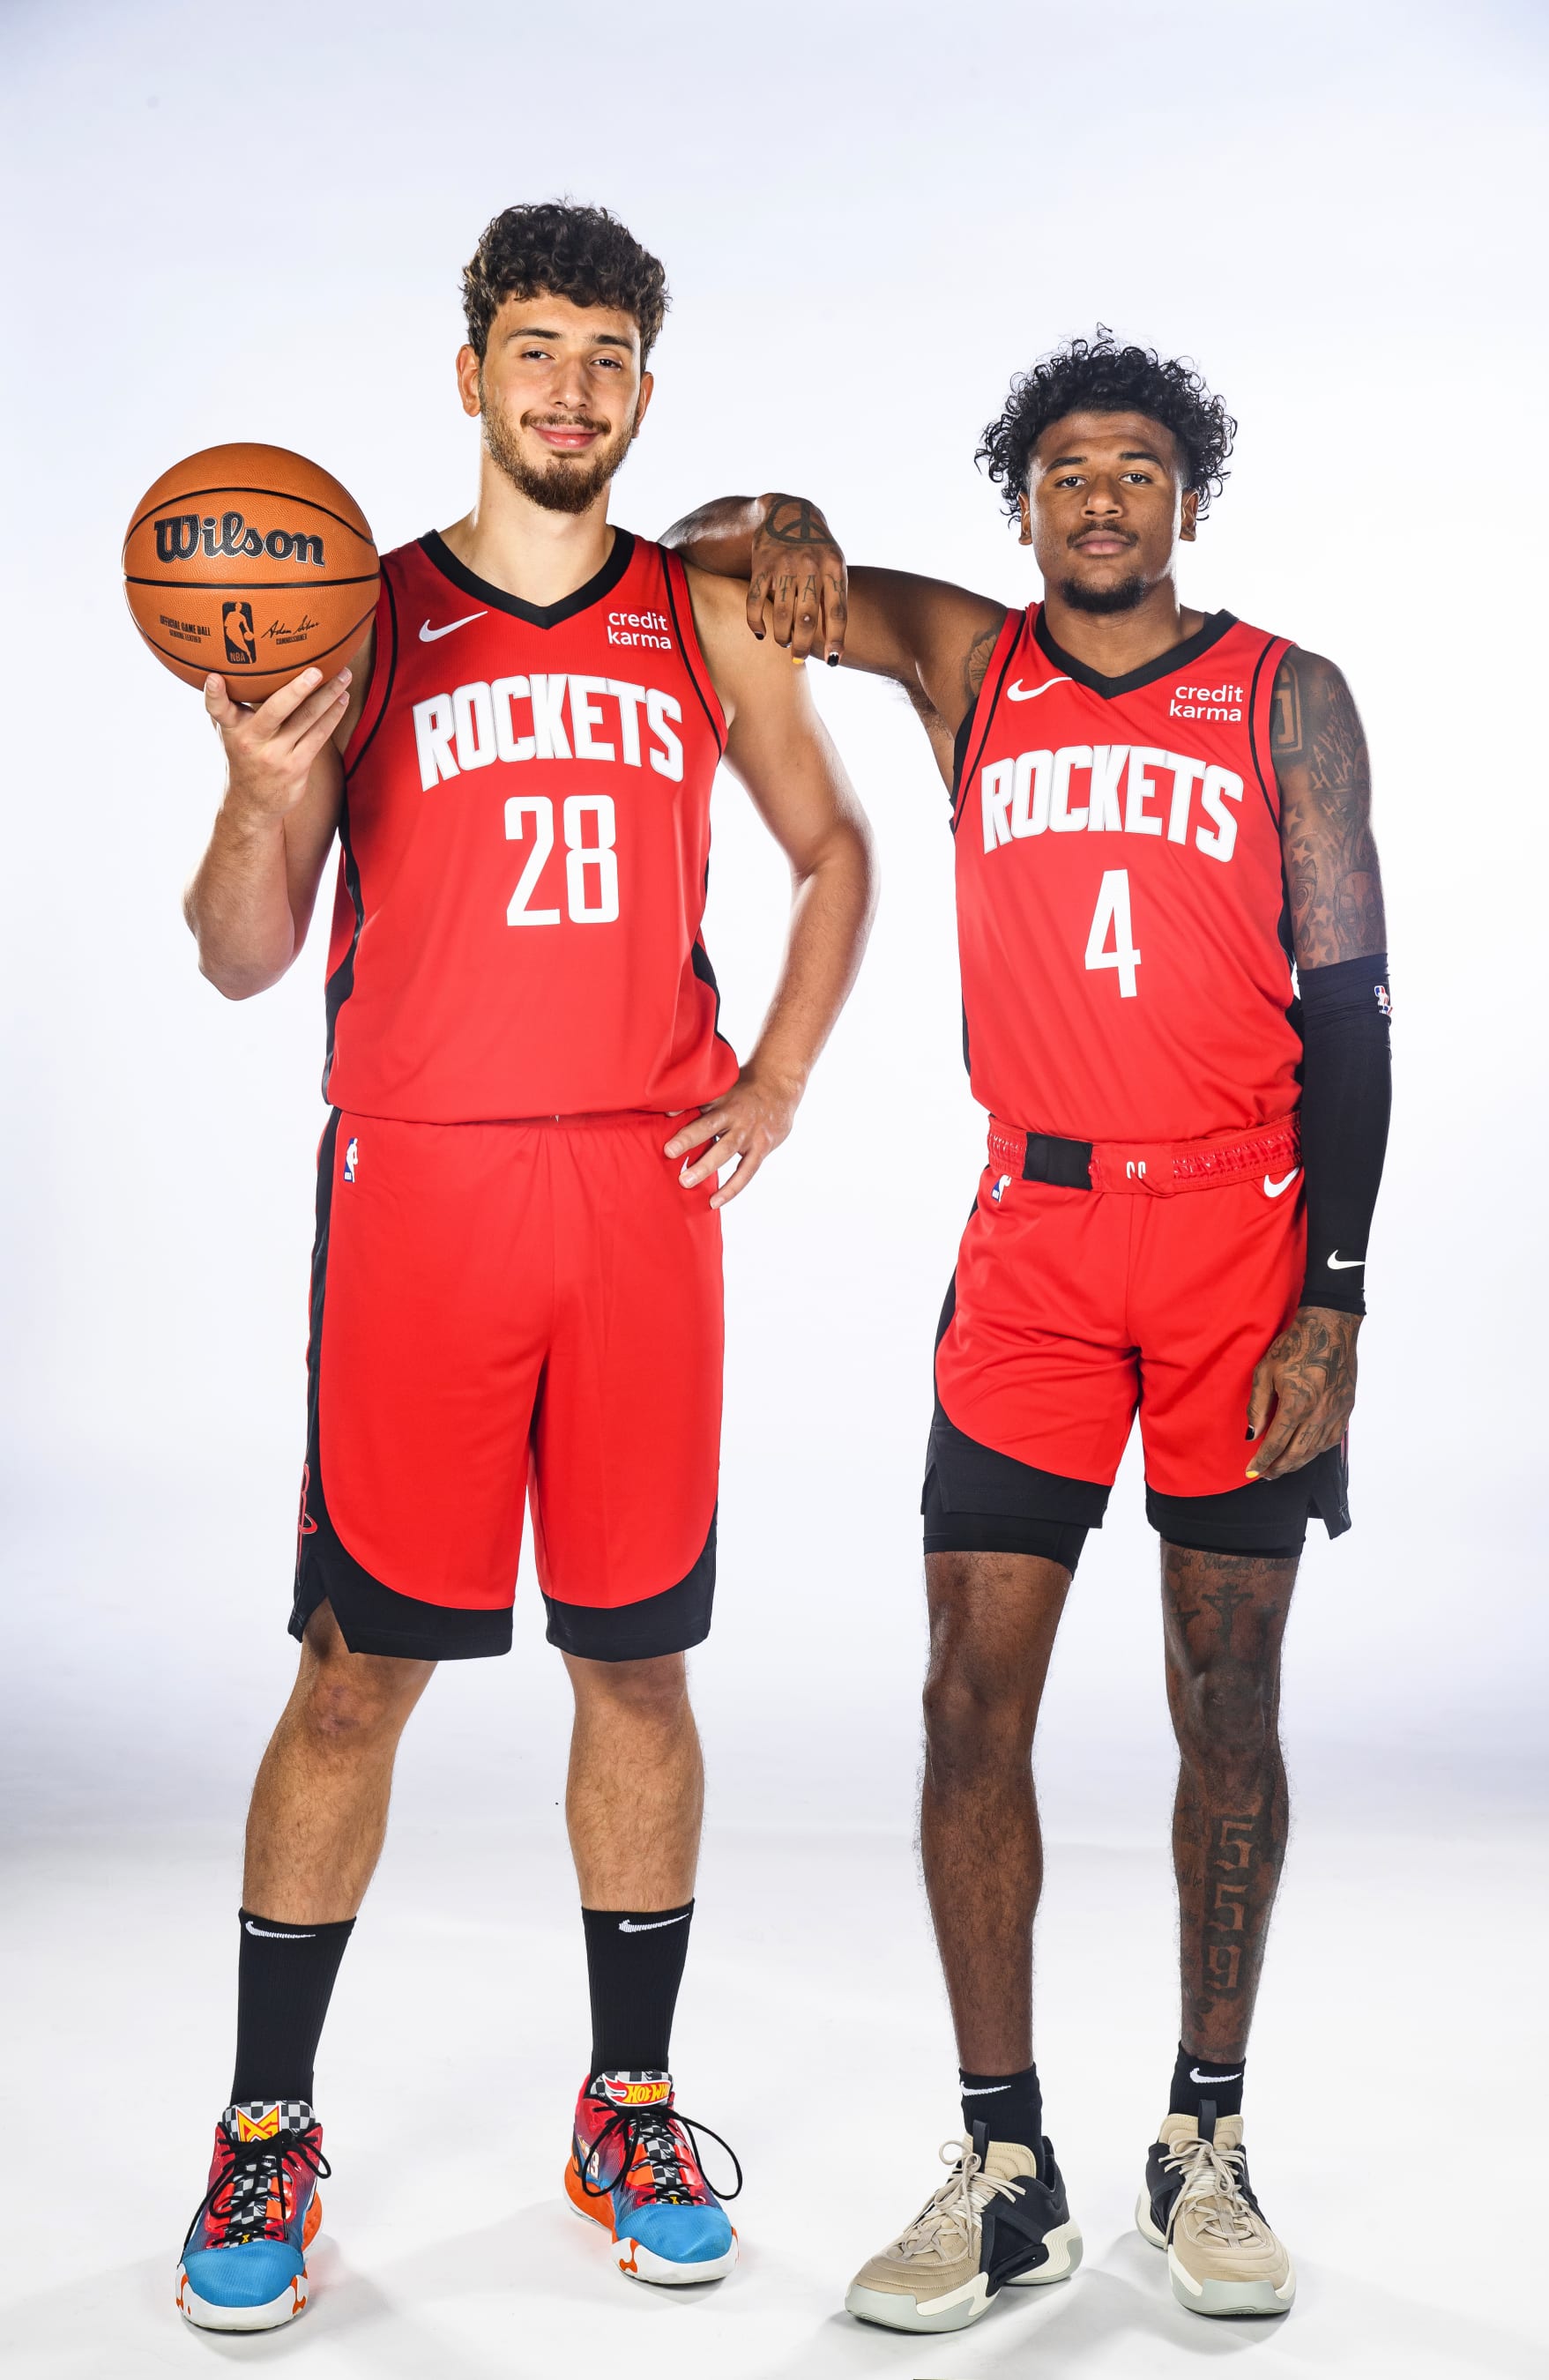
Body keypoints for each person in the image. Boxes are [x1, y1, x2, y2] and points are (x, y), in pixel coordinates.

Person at [172, 201, 874, 2332]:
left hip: (644, 1206)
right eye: (535, 349)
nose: (571, 391)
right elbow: (237, 955)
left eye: (610, 358)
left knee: (637, 1662)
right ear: (467, 372)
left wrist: (776, 1073)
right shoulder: (350, 613)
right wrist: (254, 790)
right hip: (426, 1195)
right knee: (355, 1669)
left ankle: (626, 2104)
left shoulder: (710, 609)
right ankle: (268, 2135)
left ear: (645, 391)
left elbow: (834, 848)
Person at [667, 327, 1389, 2331]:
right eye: (1068, 469)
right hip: (1041, 1244)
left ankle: (1206, 2136)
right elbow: (714, 569)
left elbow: (1351, 1012)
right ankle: (1006, 2162)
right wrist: (779, 516)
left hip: (1245, 1236)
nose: (1102, 498)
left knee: (1224, 1706)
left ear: (1185, 503)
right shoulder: (978, 663)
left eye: (1139, 470)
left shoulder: (1283, 698)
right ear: (1023, 501)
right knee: (969, 1707)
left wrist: (1337, 1289)